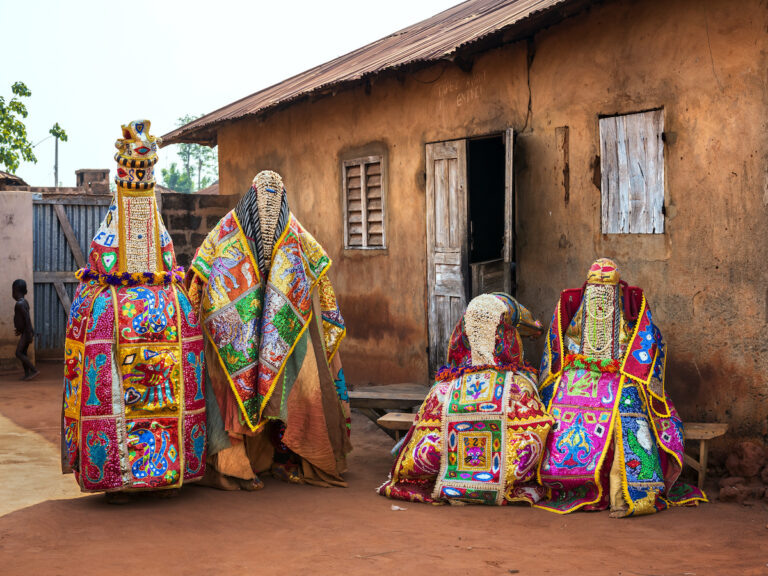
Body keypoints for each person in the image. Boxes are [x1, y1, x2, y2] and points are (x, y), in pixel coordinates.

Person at [61, 120, 206, 499]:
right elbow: (103, 263)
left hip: (156, 325)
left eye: (145, 174)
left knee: (163, 401)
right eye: (133, 173)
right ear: (122, 177)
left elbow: (164, 260)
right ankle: (117, 479)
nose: (139, 181)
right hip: (123, 325)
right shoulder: (104, 278)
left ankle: (164, 475)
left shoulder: (164, 264)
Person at [186, 170, 351, 490]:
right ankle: (233, 464)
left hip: (279, 330)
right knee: (229, 392)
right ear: (250, 198)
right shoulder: (226, 230)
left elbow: (319, 274)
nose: (269, 208)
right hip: (232, 334)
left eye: (276, 200)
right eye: (263, 200)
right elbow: (200, 275)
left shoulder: (293, 232)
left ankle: (283, 455)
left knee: (295, 385)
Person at [536, 258, 707, 517]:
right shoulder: (578, 316)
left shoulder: (630, 316)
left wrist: (624, 366)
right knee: (558, 404)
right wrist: (577, 362)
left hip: (620, 375)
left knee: (629, 408)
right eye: (595, 290)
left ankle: (625, 493)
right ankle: (567, 483)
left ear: (617, 291)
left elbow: (643, 348)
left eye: (607, 291)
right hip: (580, 373)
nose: (600, 296)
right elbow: (569, 342)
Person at [379, 293, 554, 505]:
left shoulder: (441, 389)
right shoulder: (519, 387)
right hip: (501, 479)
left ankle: (451, 478)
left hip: (445, 473)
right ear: (505, 334)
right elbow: (534, 326)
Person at [12, 279, 38, 381]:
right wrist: (20, 329)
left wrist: (28, 332)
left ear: (16, 291)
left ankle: (34, 370)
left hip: (26, 333)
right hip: (25, 331)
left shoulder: (19, 304)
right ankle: (27, 373)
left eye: (13, 291)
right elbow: (23, 319)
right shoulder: (23, 302)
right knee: (23, 352)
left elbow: (27, 318)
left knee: (18, 353)